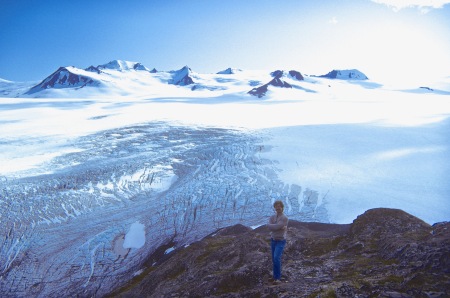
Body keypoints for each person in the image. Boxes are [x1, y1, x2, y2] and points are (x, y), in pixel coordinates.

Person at [267, 200, 288, 283]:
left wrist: (272, 226)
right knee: (274, 259)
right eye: (276, 206)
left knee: (276, 258)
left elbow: (275, 227)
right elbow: (274, 227)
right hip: (273, 240)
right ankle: (275, 277)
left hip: (280, 240)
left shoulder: (284, 218)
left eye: (279, 206)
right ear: (274, 207)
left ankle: (278, 278)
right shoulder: (272, 217)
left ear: (282, 207)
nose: (278, 208)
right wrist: (275, 227)